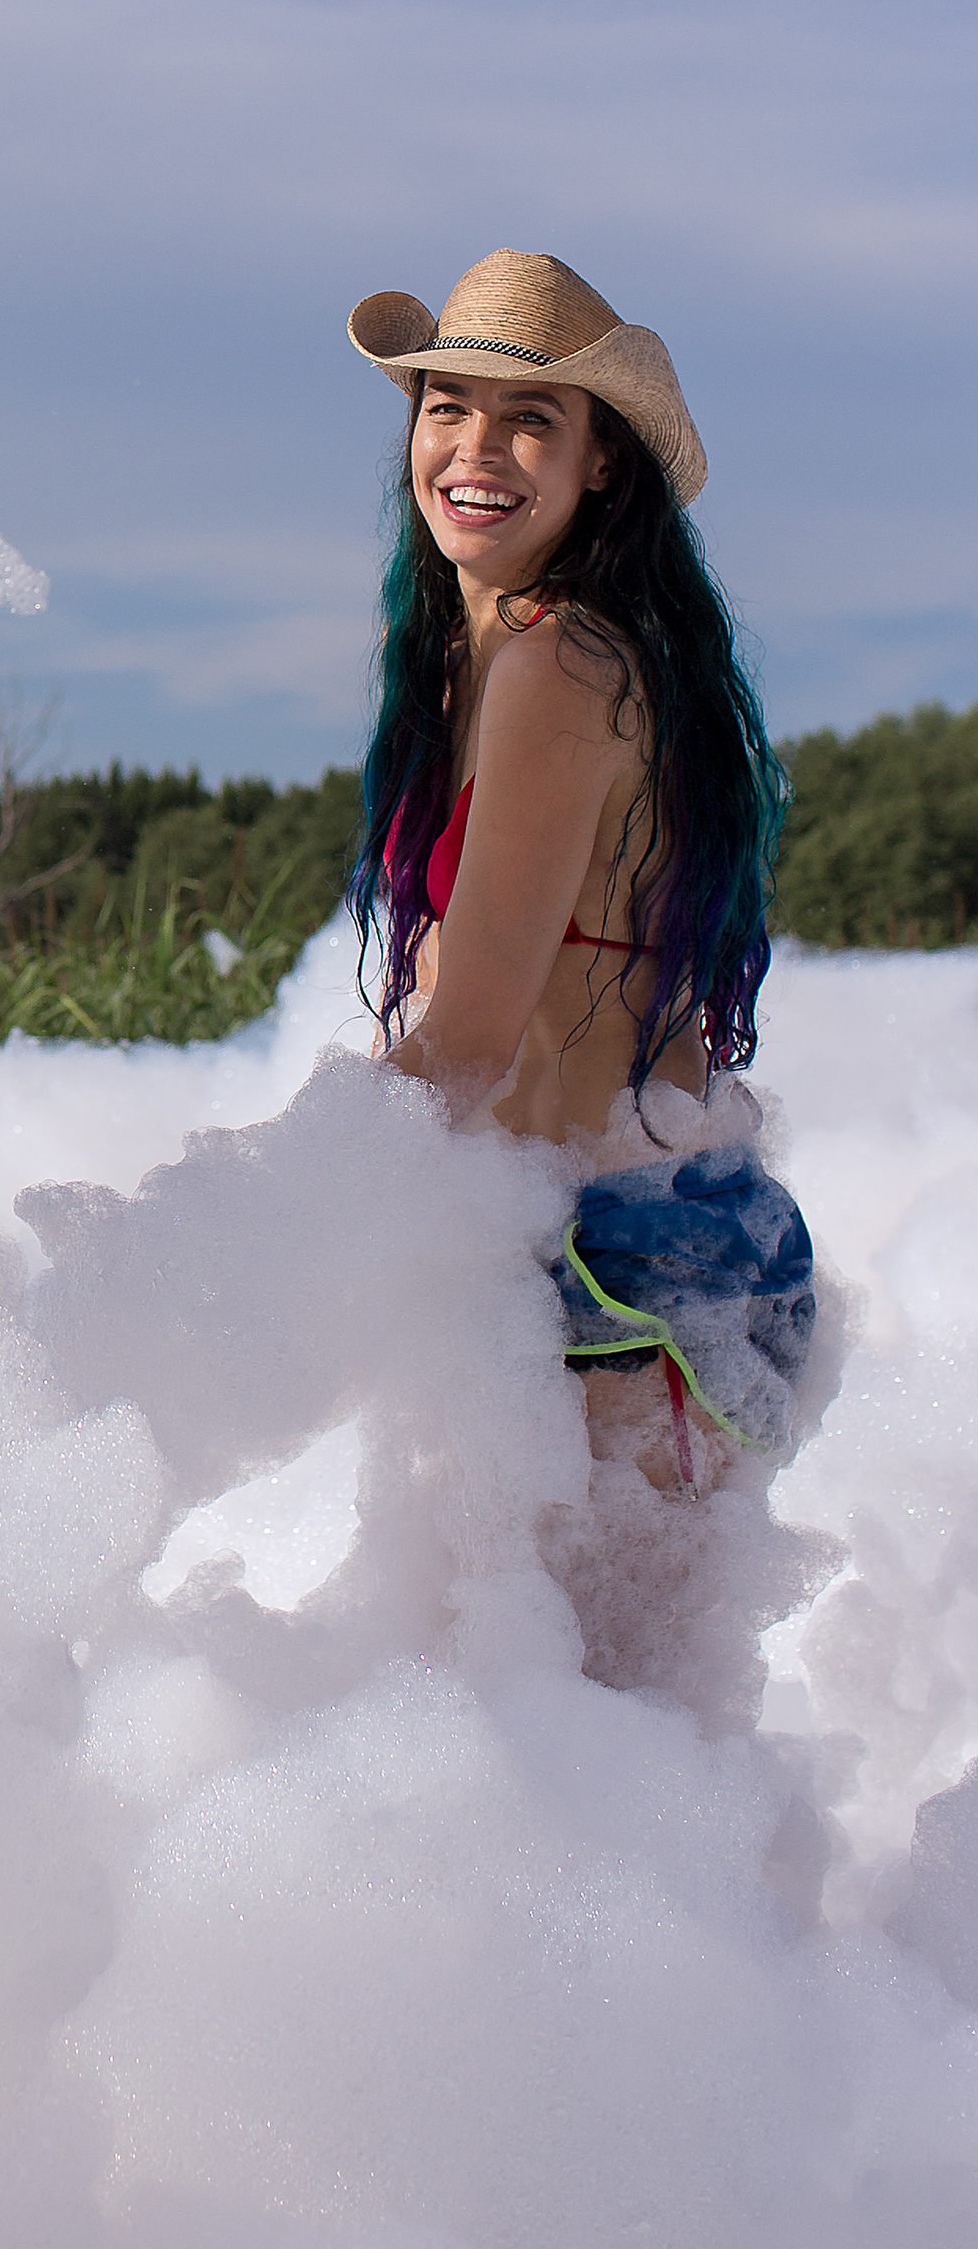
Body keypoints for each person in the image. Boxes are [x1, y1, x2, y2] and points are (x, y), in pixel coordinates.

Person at [343, 249, 812, 1488]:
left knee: (556, 1678)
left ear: (602, 460)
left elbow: (472, 1040)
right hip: (568, 1248)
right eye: (446, 406)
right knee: (531, 1677)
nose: (474, 448)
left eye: (529, 418)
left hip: (614, 1277)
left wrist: (271, 1221)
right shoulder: (473, 658)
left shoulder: (563, 667)